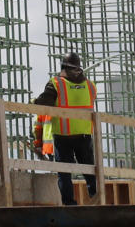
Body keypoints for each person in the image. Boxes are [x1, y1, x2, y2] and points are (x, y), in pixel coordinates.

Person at [33, 52, 98, 206]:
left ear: (63, 67)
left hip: (63, 135)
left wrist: (33, 101)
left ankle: (69, 204)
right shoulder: (90, 85)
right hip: (84, 134)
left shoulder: (56, 83)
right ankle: (97, 199)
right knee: (90, 171)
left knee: (64, 173)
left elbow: (43, 103)